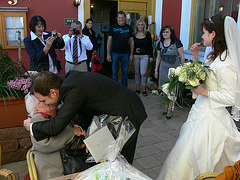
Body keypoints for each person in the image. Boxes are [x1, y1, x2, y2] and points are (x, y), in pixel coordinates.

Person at [157, 15, 240, 180]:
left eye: (204, 33)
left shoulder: (226, 64)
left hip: (211, 117)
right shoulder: (213, 56)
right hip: (201, 110)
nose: (202, 36)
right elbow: (204, 77)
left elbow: (230, 97)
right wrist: (195, 56)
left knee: (200, 155)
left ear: (213, 35)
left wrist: (203, 92)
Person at [23, 71, 147, 164]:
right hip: (117, 112)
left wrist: (32, 126)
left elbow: (56, 126)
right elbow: (85, 112)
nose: (46, 104)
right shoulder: (67, 81)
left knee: (120, 159)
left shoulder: (71, 89)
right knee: (111, 156)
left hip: (128, 112)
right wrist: (83, 133)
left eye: (44, 100)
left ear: (53, 92)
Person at [25, 93, 84, 180]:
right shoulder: (37, 120)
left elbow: (70, 137)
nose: (47, 101)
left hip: (69, 161)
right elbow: (45, 144)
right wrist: (72, 132)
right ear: (36, 109)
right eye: (42, 101)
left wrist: (79, 141)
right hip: (53, 167)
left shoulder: (58, 115)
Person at [154, 25, 185, 119]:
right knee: (164, 90)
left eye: (167, 32)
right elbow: (158, 57)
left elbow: (182, 57)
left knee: (171, 90)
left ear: (171, 32)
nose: (165, 34)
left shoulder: (176, 42)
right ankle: (166, 106)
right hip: (163, 69)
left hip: (173, 70)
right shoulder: (160, 43)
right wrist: (156, 70)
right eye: (163, 32)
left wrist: (181, 70)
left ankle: (170, 109)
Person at [106, 11, 134, 87]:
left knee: (125, 72)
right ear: (117, 18)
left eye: (122, 17)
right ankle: (115, 88)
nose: (121, 19)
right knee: (114, 72)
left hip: (125, 53)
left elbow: (132, 41)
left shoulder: (129, 28)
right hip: (115, 53)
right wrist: (108, 54)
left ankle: (124, 88)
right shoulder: (113, 27)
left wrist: (131, 54)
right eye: (119, 18)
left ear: (125, 18)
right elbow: (109, 41)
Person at [133, 19, 153, 96]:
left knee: (143, 73)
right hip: (135, 55)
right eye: (139, 25)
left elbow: (150, 46)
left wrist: (151, 56)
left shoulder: (147, 34)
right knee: (137, 73)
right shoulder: (134, 34)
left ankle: (144, 89)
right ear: (136, 26)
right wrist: (130, 54)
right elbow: (131, 45)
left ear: (144, 26)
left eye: (142, 25)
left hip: (144, 56)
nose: (140, 26)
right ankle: (138, 89)